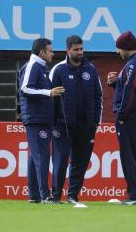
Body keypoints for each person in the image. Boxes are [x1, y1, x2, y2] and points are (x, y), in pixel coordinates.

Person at [49, 35, 103, 204]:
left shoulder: (91, 70)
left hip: (86, 126)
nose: (80, 52)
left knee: (80, 162)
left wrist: (95, 123)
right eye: (76, 49)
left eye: (81, 49)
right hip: (62, 125)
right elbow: (50, 99)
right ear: (68, 51)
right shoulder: (58, 70)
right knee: (61, 161)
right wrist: (53, 123)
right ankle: (56, 196)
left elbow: (98, 97)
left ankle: (72, 196)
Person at [107, 31, 136, 205]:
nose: (118, 52)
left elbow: (130, 91)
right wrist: (115, 83)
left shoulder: (133, 64)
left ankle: (134, 196)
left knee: (128, 156)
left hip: (130, 116)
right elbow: (131, 87)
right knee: (135, 155)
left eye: (119, 48)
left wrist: (121, 115)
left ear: (125, 48)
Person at [18, 38, 65, 204]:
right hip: (36, 119)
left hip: (42, 118)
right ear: (42, 53)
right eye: (51, 51)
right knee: (42, 156)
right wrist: (49, 92)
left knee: (35, 157)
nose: (53, 54)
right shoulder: (32, 66)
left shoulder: (41, 68)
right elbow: (24, 89)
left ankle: (35, 195)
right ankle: (46, 195)